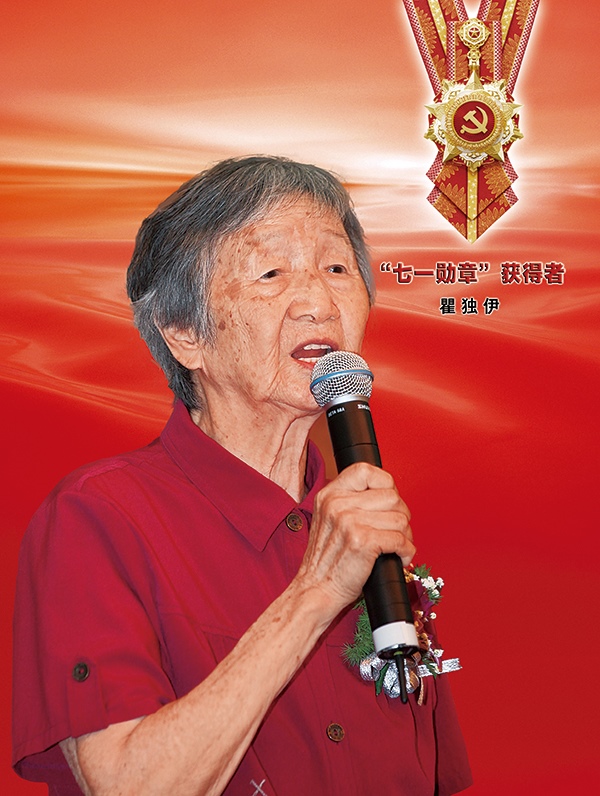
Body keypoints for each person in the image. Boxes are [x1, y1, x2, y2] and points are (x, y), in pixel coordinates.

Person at [12, 155, 472, 795]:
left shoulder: (366, 528)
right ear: (183, 333)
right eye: (272, 273)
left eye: (337, 269)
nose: (318, 303)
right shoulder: (100, 517)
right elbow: (124, 785)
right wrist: (315, 593)